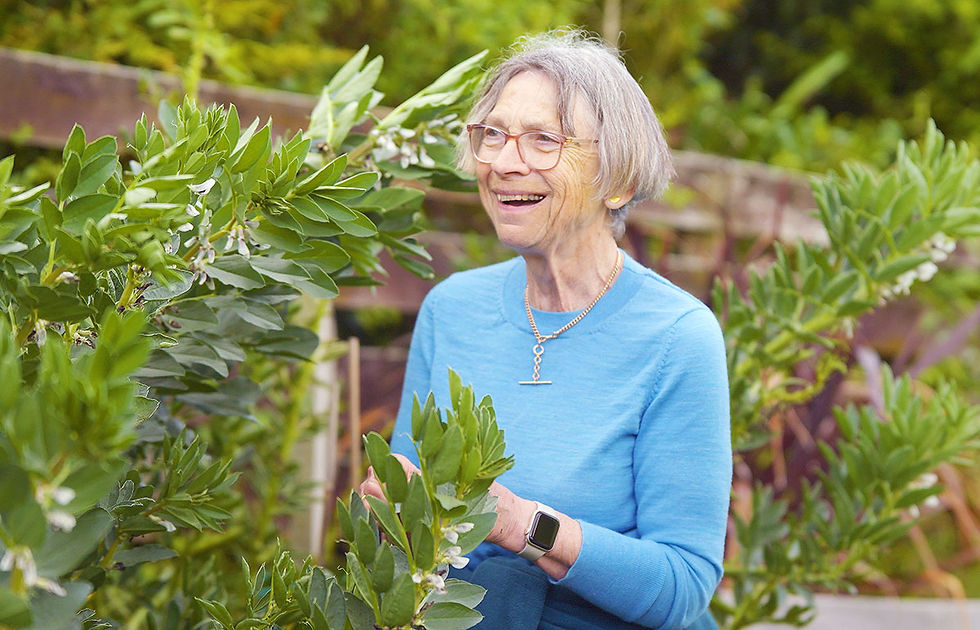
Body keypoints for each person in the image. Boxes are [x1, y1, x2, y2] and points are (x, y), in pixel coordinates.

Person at [362, 29, 731, 630]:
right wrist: (391, 508)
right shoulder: (450, 309)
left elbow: (682, 587)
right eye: (494, 135)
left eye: (543, 140)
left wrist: (521, 526)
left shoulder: (677, 337)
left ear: (619, 180)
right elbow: (404, 545)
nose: (506, 163)